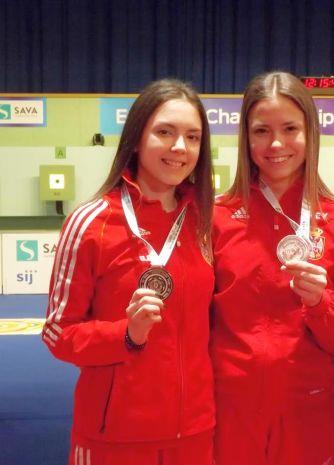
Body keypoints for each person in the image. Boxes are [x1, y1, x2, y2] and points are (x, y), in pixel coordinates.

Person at [42, 79, 215, 465]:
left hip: (194, 434)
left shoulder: (204, 222)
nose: (180, 147)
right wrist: (126, 334)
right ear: (136, 139)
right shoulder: (91, 223)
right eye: (165, 132)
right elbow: (58, 332)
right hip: (115, 437)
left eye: (192, 137)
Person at [211, 71, 334, 465]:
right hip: (231, 404)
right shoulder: (215, 216)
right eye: (262, 131)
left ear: (310, 133)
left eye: (290, 129)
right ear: (246, 138)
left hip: (308, 405)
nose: (276, 144)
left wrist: (321, 303)